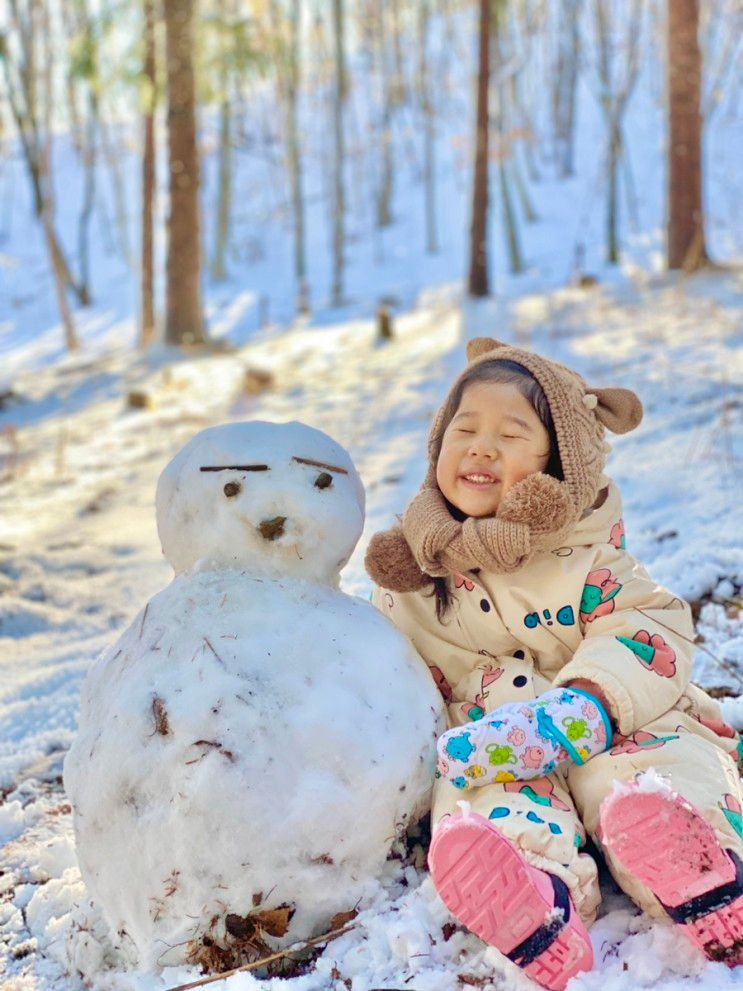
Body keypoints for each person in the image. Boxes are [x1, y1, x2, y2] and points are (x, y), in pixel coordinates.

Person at [365, 337, 743, 991]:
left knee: (648, 770)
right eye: (465, 428)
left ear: (557, 467)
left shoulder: (582, 551)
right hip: (500, 737)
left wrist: (589, 703)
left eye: (511, 434)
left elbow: (647, 626)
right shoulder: (414, 569)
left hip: (609, 717)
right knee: (490, 798)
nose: (481, 447)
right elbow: (389, 672)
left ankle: (704, 868)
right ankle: (539, 904)